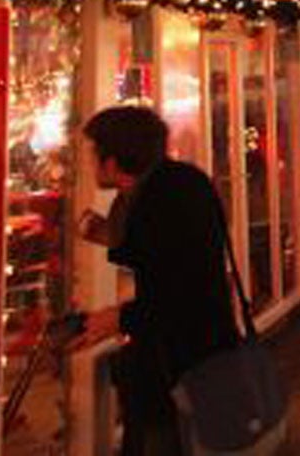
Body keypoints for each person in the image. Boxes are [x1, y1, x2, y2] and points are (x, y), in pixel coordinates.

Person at [70, 106, 239, 456]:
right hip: (210, 357)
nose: (91, 166)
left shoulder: (155, 204)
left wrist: (118, 318)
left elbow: (176, 297)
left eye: (94, 156)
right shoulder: (184, 183)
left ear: (113, 163)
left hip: (177, 370)